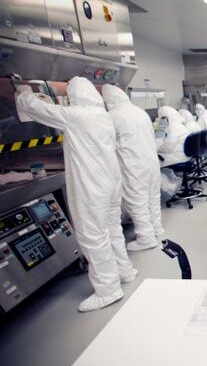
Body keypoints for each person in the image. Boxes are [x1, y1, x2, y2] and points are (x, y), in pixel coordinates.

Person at [16, 77, 136, 312]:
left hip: (93, 186)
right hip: (111, 182)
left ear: (75, 96)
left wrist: (23, 92)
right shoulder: (103, 116)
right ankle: (124, 270)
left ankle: (108, 290)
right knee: (112, 228)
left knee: (93, 236)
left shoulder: (75, 116)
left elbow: (37, 108)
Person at [102, 84, 164, 252]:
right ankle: (157, 228)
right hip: (151, 163)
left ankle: (146, 238)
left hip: (134, 165)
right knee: (153, 198)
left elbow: (107, 143)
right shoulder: (140, 112)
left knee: (138, 202)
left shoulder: (111, 116)